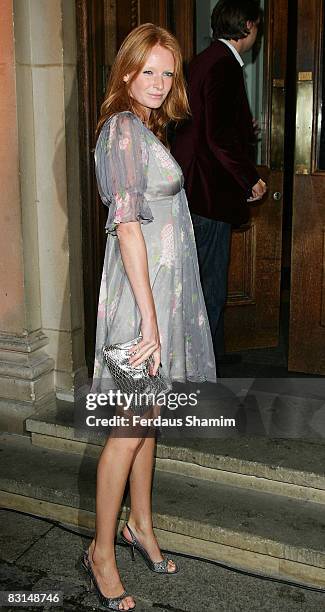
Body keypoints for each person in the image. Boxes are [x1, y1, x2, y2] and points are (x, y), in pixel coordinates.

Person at [83, 23, 216, 611]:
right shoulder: (120, 130)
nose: (159, 83)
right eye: (148, 71)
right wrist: (152, 323)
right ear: (127, 72)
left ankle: (141, 526)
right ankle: (101, 552)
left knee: (147, 423)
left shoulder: (143, 129)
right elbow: (130, 229)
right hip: (142, 305)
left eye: (168, 72)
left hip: (160, 298)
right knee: (127, 430)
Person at [171, 0, 267, 369]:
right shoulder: (223, 65)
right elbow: (216, 138)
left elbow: (206, 125)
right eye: (256, 27)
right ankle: (202, 369)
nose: (256, 35)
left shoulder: (205, 60)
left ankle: (214, 356)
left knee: (202, 283)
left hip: (196, 189)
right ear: (246, 26)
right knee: (209, 286)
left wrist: (244, 130)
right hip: (207, 194)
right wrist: (250, 178)